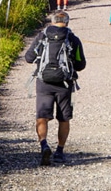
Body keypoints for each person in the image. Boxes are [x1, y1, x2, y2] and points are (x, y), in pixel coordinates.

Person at [24, 11, 86, 165]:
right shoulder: (73, 39)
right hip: (64, 84)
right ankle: (59, 151)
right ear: (67, 22)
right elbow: (80, 65)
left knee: (42, 116)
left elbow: (29, 57)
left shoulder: (42, 36)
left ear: (52, 21)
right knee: (63, 118)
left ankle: (44, 145)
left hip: (43, 82)